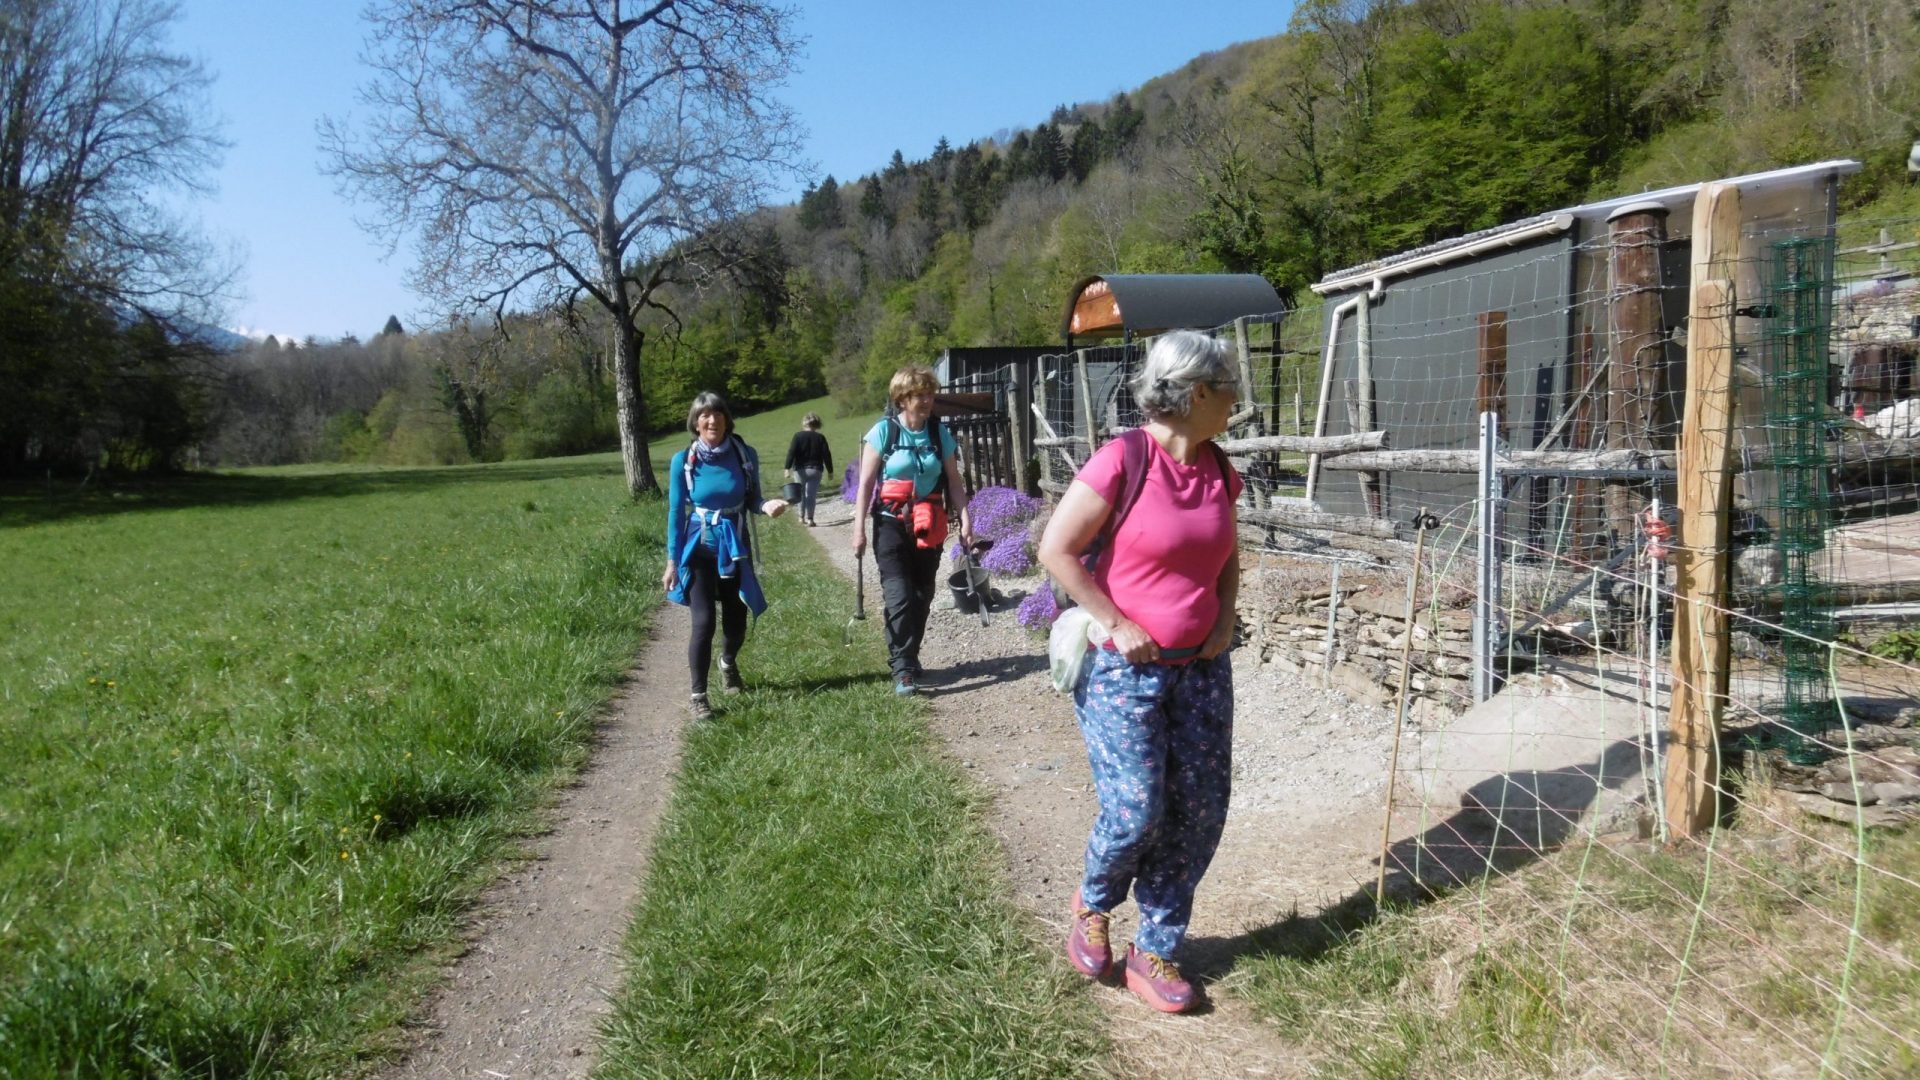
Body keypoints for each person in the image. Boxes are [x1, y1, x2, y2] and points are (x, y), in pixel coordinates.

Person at [1035, 330, 1244, 1014]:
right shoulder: (1124, 459)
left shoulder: (1219, 466)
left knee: (1200, 810)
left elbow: (1227, 550)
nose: (1237, 399)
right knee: (1136, 810)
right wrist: (1117, 623)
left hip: (1201, 671)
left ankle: (1154, 948)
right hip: (1125, 671)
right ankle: (1094, 904)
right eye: (1229, 387)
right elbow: (1056, 550)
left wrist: (1224, 615)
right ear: (1198, 391)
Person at [661, 391, 787, 720]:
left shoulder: (744, 454)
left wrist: (765, 505)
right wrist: (672, 561)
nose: (712, 420)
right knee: (703, 622)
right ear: (695, 422)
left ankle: (728, 662)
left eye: (717, 414)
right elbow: (676, 513)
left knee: (736, 622)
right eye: (705, 415)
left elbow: (753, 498)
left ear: (727, 420)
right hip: (699, 548)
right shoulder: (683, 461)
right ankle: (698, 696)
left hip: (733, 547)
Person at [849, 366, 973, 695]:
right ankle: (902, 668)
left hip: (929, 523)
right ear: (902, 398)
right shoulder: (883, 433)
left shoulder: (937, 434)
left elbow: (955, 482)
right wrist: (858, 528)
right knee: (899, 595)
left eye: (930, 393)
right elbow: (865, 485)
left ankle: (910, 655)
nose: (927, 400)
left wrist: (966, 519)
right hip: (890, 523)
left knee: (922, 595)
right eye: (919, 395)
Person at [783, 411, 834, 527]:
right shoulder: (820, 437)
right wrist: (830, 471)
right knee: (811, 495)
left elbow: (792, 452)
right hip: (816, 470)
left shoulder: (797, 436)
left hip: (800, 470)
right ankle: (810, 519)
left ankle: (801, 517)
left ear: (804, 423)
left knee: (800, 494)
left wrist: (787, 468)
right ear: (817, 424)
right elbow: (827, 455)